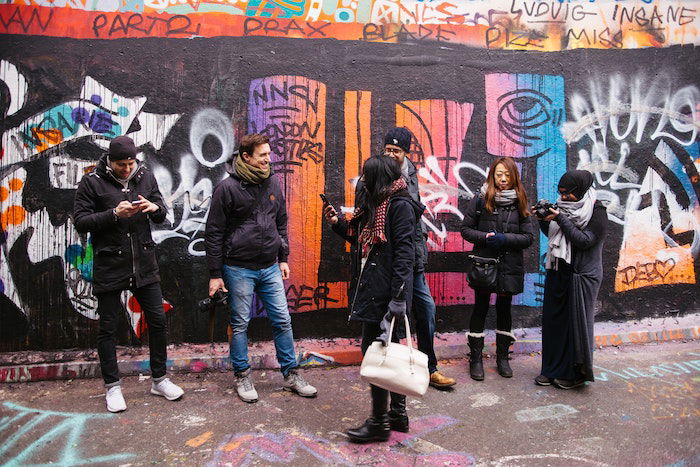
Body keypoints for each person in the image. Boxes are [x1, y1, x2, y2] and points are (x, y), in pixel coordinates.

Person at [73, 135, 184, 413]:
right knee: (109, 328)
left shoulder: (145, 177)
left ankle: (159, 379)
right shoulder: (92, 182)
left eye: (131, 163)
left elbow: (162, 212)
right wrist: (113, 214)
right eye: (121, 164)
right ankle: (112, 387)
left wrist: (155, 208)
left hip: (144, 264)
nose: (126, 169)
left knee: (158, 321)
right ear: (110, 161)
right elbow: (81, 222)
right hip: (110, 264)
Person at [204, 133, 317, 403]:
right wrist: (215, 275)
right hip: (238, 268)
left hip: (269, 267)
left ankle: (291, 374)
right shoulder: (227, 188)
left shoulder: (272, 181)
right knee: (240, 324)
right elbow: (214, 232)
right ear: (246, 157)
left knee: (282, 320)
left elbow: (280, 221)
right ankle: (242, 375)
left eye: (268, 153)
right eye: (263, 155)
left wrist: (283, 257)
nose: (269, 159)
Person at [323, 155, 422, 443]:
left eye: (366, 176)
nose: (362, 181)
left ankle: (380, 422)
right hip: (374, 286)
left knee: (376, 353)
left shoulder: (399, 206)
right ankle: (398, 416)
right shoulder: (378, 203)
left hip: (387, 291)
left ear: (379, 179)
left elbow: (405, 254)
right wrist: (337, 224)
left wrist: (399, 299)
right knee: (387, 351)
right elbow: (362, 239)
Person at [378, 127, 456, 389]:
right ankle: (392, 373)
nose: (390, 154)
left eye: (396, 151)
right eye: (388, 149)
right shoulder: (378, 172)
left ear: (406, 153)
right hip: (391, 258)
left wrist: (418, 248)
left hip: (413, 256)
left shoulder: (409, 174)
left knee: (426, 311)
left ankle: (429, 367)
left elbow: (412, 218)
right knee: (395, 314)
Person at [460, 157, 533, 381]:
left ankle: (503, 358)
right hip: (485, 264)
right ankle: (476, 359)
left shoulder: (520, 200)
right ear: (492, 175)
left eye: (507, 175)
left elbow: (528, 237)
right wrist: (485, 238)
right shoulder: (480, 199)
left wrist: (505, 239)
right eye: (498, 174)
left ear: (514, 177)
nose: (502, 179)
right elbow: (465, 229)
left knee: (504, 310)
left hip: (509, 266)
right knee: (480, 308)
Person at [534, 170, 607, 389]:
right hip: (558, 270)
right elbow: (555, 234)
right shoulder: (564, 209)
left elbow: (584, 241)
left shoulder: (597, 211)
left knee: (576, 326)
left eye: (568, 194)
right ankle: (551, 369)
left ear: (581, 190)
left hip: (582, 276)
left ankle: (575, 374)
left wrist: (559, 217)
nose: (564, 198)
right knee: (554, 323)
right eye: (561, 193)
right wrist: (542, 220)